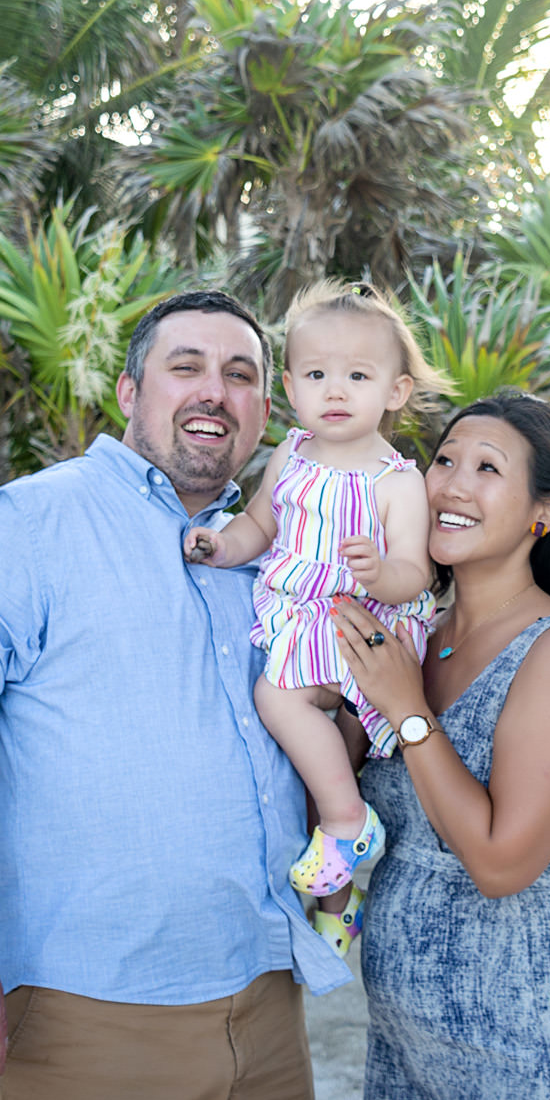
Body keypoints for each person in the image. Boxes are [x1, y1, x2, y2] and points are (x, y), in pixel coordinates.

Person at [0, 291, 349, 1100]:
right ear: (130, 393)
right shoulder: (29, 523)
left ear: (265, 412)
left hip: (269, 1012)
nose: (215, 391)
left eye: (240, 375)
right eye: (186, 367)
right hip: (90, 1016)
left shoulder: (283, 557)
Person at [326, 393, 550, 1100]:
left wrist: (407, 709)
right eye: (444, 459)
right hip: (406, 1041)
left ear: (545, 512)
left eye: (488, 468)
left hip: (529, 1037)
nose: (452, 484)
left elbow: (501, 864)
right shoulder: (414, 636)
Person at [184, 282, 445, 951]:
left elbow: (416, 570)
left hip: (361, 625)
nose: (336, 390)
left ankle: (347, 820)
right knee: (306, 742)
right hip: (304, 621)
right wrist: (218, 547)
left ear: (395, 390)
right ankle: (337, 907)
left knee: (277, 697)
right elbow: (257, 525)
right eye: (318, 374)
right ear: (293, 388)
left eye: (358, 375)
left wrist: (380, 572)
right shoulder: (291, 456)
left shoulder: (396, 480)